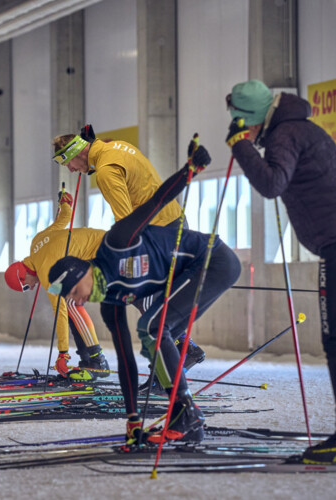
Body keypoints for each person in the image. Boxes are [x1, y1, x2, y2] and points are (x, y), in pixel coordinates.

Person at [225, 80, 336, 465]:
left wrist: (240, 147)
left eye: (244, 125)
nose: (245, 132)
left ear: (255, 118)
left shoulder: (285, 133)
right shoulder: (296, 128)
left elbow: (272, 183)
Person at [48, 139, 241, 444]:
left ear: (82, 274)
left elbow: (156, 202)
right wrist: (133, 417)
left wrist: (189, 171)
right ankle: (186, 413)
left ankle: (186, 412)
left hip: (212, 259)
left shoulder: (117, 242)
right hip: (188, 265)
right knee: (154, 329)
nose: (76, 300)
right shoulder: (111, 301)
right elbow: (125, 361)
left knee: (154, 326)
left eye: (72, 293)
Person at [52, 126, 207, 375]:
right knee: (148, 297)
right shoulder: (118, 147)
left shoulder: (105, 172)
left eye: (68, 162)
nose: (70, 169)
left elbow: (126, 220)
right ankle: (182, 350)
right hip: (173, 223)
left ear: (80, 153)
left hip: (158, 232)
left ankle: (177, 357)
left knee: (141, 296)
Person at [5, 191, 110, 379]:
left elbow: (59, 311)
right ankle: (87, 359)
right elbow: (64, 219)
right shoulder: (36, 242)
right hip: (104, 242)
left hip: (105, 253)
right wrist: (65, 203)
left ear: (23, 275)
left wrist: (63, 353)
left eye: (26, 286)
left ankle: (97, 360)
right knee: (72, 306)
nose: (31, 288)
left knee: (70, 305)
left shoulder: (47, 274)